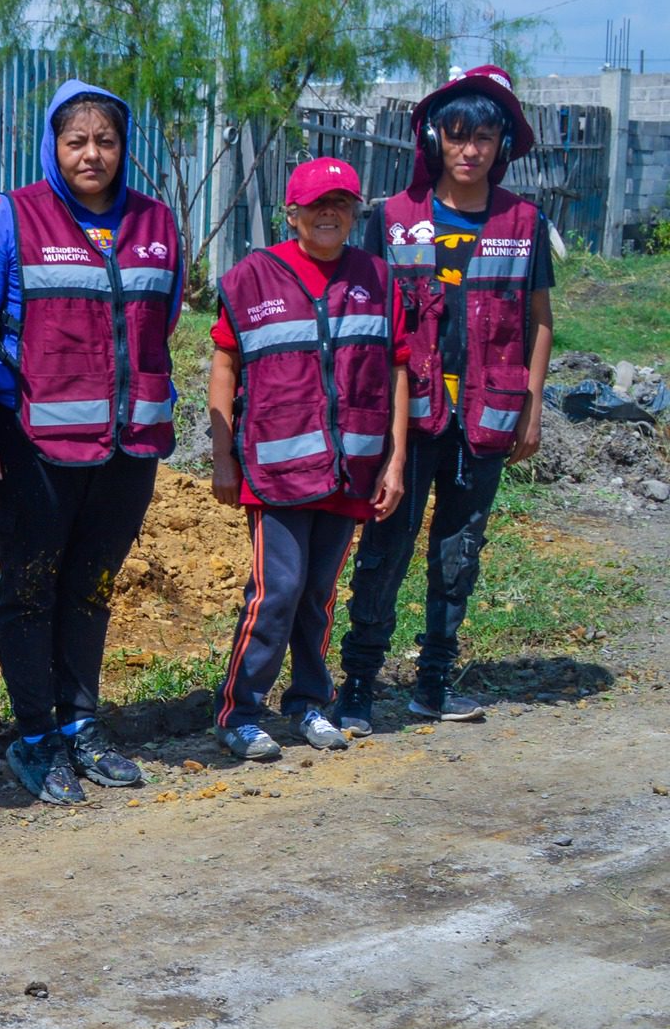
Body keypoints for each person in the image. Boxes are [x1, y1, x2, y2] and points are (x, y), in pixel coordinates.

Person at [0, 81, 184, 806]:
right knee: (29, 590)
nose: (92, 153)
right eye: (76, 140)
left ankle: (82, 722)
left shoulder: (157, 221)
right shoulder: (11, 217)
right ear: (53, 147)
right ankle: (34, 737)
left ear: (125, 147)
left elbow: (161, 320)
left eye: (106, 140)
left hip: (129, 448)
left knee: (92, 587)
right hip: (33, 447)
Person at [334, 66, 555, 733]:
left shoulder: (524, 222)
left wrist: (534, 408)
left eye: (483, 137)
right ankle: (359, 685)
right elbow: (365, 317)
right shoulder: (393, 219)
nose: (470, 150)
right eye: (457, 136)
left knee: (459, 554)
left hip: (488, 415)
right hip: (408, 420)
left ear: (501, 144)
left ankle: (434, 680)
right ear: (435, 139)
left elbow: (539, 318)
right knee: (385, 549)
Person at [208, 158, 409, 761]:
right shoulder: (252, 278)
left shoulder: (377, 276)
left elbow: (398, 368)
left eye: (342, 203)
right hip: (277, 471)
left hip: (351, 468)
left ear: (354, 213)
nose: (329, 214)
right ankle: (240, 712)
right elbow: (224, 364)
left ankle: (307, 703)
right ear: (291, 213)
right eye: (317, 204)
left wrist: (395, 462)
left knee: (319, 592)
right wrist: (223, 457)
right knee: (278, 590)